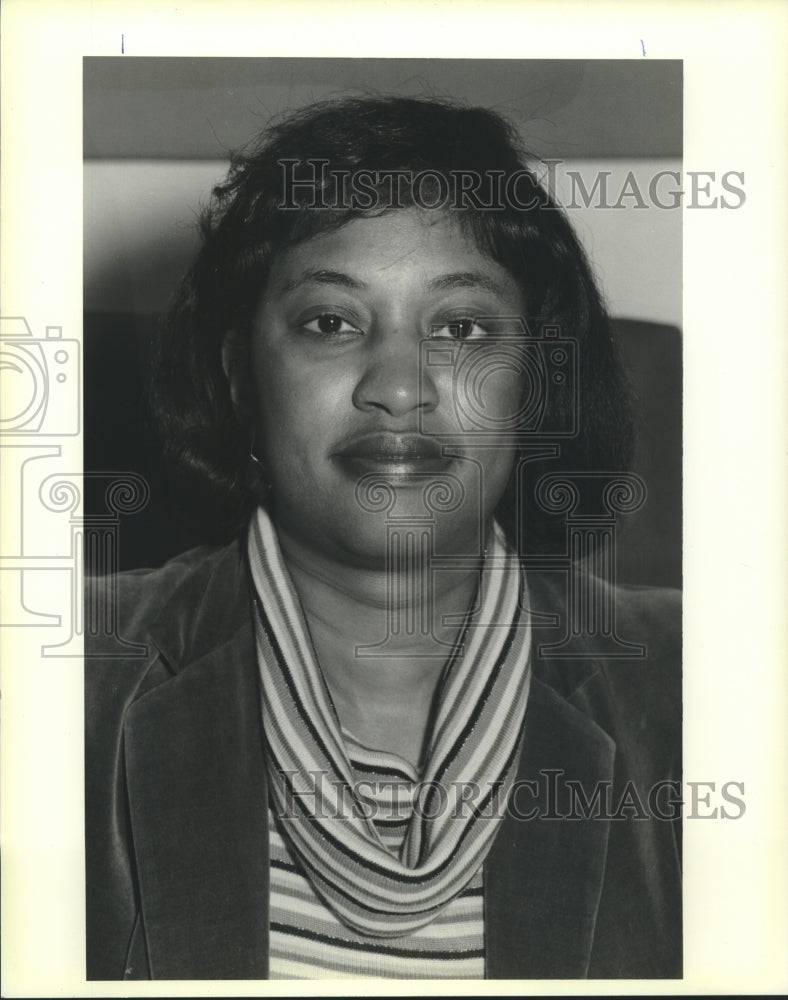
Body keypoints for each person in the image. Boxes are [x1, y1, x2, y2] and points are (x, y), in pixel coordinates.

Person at [85, 96, 681, 980]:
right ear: (241, 377)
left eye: (462, 328)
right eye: (331, 322)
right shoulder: (63, 677)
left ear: (535, 385)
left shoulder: (707, 687)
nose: (399, 388)